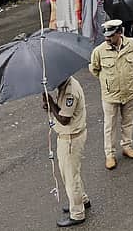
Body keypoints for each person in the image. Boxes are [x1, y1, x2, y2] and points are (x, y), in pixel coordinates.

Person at [89, 19, 133, 170]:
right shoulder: (99, 51)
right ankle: (109, 154)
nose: (108, 39)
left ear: (119, 33)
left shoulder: (132, 44)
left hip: (130, 91)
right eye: (106, 36)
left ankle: (127, 146)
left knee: (128, 121)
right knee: (109, 126)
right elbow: (95, 69)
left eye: (111, 36)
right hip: (110, 95)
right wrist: (108, 82)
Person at [43, 75, 90, 228]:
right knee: (73, 173)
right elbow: (62, 110)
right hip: (71, 136)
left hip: (70, 139)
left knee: (70, 177)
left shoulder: (70, 91)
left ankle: (77, 213)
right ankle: (82, 200)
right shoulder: (65, 85)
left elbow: (64, 119)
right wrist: (51, 106)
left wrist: (51, 103)